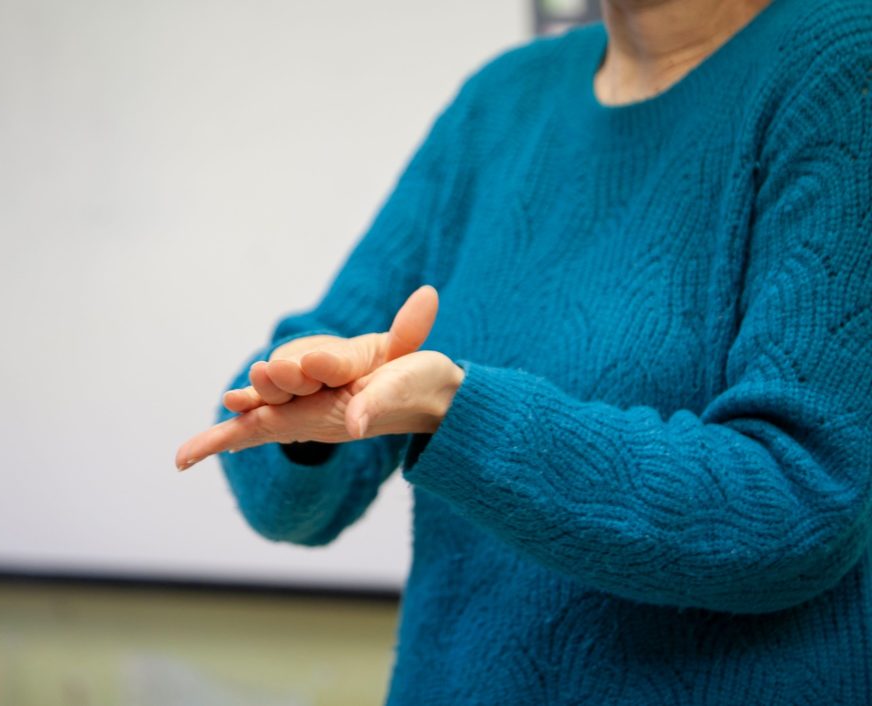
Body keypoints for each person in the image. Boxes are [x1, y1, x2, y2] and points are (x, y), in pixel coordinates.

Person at [175, 0, 872, 702]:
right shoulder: (502, 100)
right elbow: (292, 489)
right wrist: (305, 419)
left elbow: (802, 501)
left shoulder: (844, 66)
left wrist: (459, 411)